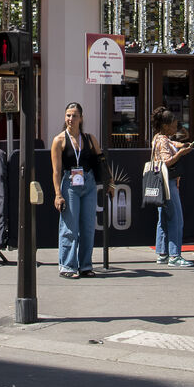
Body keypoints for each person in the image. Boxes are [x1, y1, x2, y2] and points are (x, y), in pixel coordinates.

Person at [50, 102, 111, 279]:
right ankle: (67, 266)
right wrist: (58, 194)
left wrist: (110, 183)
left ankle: (85, 265)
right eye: (68, 115)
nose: (71, 119)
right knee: (70, 226)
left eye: (74, 115)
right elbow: (56, 171)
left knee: (88, 226)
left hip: (88, 183)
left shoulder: (90, 138)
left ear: (81, 118)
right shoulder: (59, 140)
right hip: (70, 185)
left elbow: (102, 160)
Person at [150, 106, 194, 267]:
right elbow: (165, 162)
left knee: (163, 219)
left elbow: (173, 143)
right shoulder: (163, 140)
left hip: (159, 182)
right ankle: (175, 256)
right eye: (174, 126)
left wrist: (182, 145)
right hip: (168, 182)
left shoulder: (158, 138)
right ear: (165, 126)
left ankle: (163, 254)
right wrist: (180, 154)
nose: (176, 129)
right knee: (176, 219)